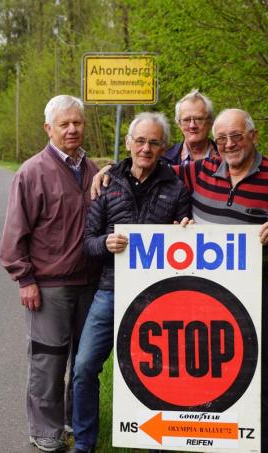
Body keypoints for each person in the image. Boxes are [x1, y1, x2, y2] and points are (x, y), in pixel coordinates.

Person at [91, 108, 268, 453]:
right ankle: (207, 440)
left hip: (258, 290)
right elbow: (148, 165)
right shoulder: (201, 170)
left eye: (235, 136)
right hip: (206, 292)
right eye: (221, 139)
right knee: (206, 371)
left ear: (253, 136)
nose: (228, 145)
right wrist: (109, 171)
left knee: (265, 376)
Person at [68, 112, 191, 453]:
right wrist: (105, 243)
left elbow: (188, 238)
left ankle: (158, 443)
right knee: (83, 367)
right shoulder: (108, 183)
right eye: (140, 141)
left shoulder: (176, 188)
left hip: (158, 298)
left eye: (154, 142)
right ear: (128, 143)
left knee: (161, 375)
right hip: (111, 290)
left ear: (164, 147)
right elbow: (87, 241)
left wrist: (186, 233)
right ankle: (84, 442)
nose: (146, 148)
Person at [0, 94, 100, 452]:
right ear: (48, 128)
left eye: (78, 123)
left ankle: (75, 420)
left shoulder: (94, 170)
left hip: (92, 285)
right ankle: (45, 430)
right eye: (64, 124)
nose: (72, 129)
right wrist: (25, 278)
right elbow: (14, 235)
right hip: (51, 286)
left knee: (85, 362)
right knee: (48, 362)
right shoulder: (31, 172)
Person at [162, 89, 219, 164]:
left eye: (199, 119)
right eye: (186, 120)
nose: (192, 125)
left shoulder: (226, 156)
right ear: (179, 124)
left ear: (210, 122)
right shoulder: (164, 160)